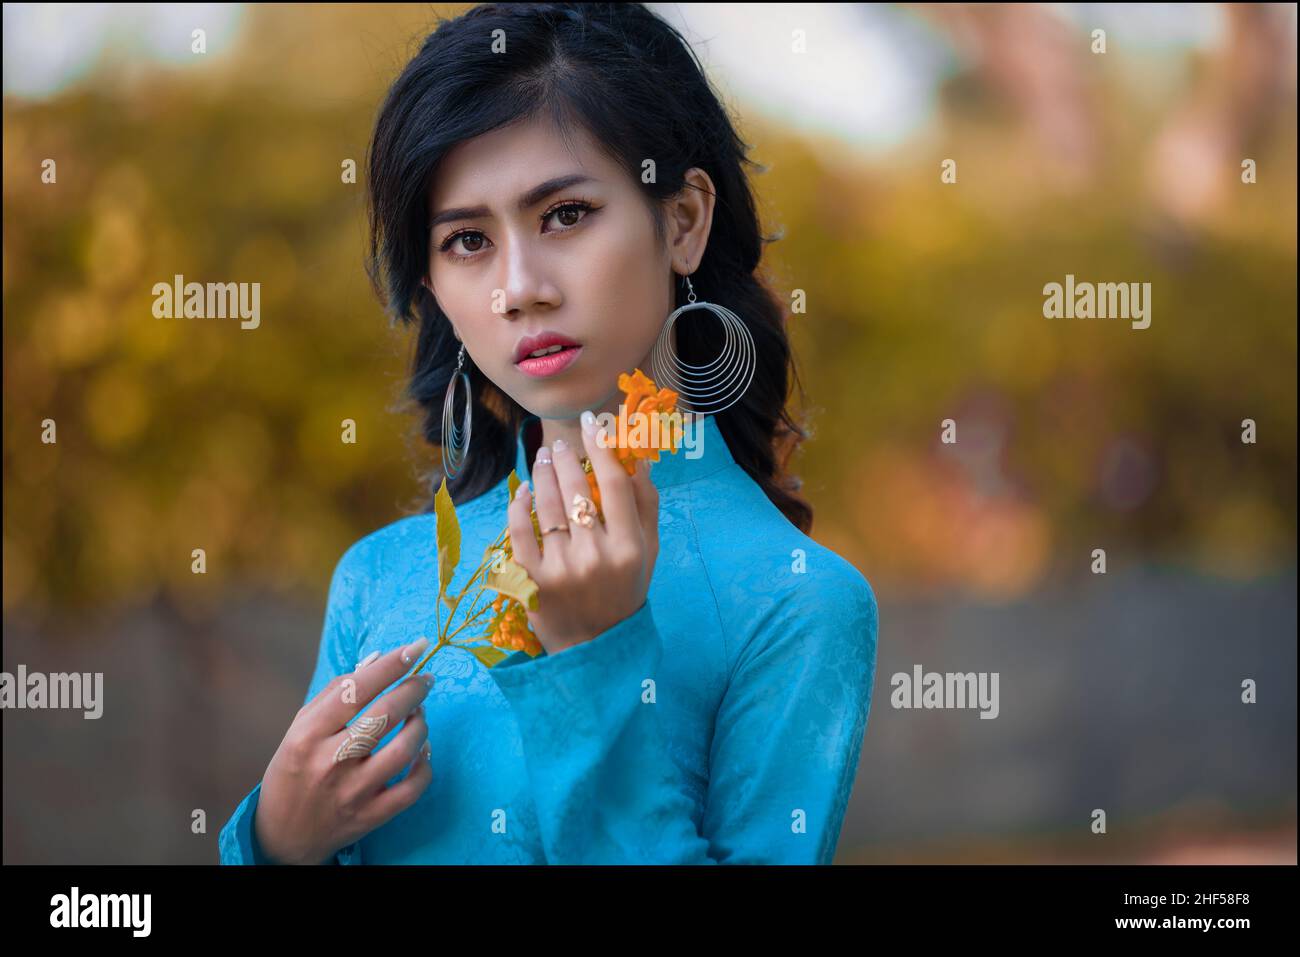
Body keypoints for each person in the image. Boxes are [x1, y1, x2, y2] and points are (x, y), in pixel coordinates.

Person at [218, 1, 878, 865]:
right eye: (466, 240)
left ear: (682, 221)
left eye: (564, 215)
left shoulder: (797, 600)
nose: (519, 286)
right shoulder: (379, 579)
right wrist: (273, 843)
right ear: (434, 286)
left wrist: (598, 661)